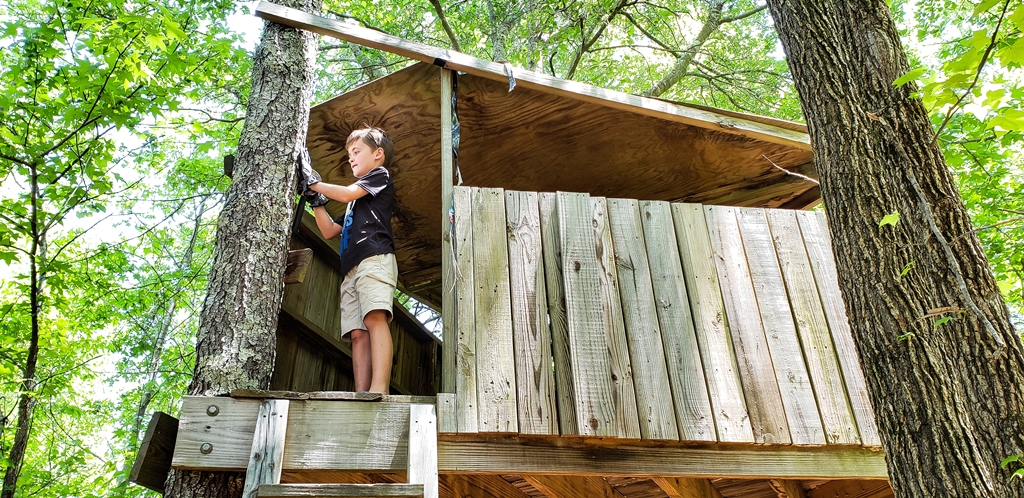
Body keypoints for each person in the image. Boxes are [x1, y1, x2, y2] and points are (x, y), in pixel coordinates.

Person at [299, 127, 397, 394]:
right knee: (357, 333)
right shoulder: (355, 204)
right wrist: (316, 200)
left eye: (357, 152)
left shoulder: (379, 176)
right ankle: (361, 394)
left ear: (378, 154)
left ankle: (379, 390)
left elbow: (345, 193)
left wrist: (312, 182)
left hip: (374, 257)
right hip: (350, 268)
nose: (351, 158)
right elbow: (329, 230)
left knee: (375, 317)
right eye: (349, 154)